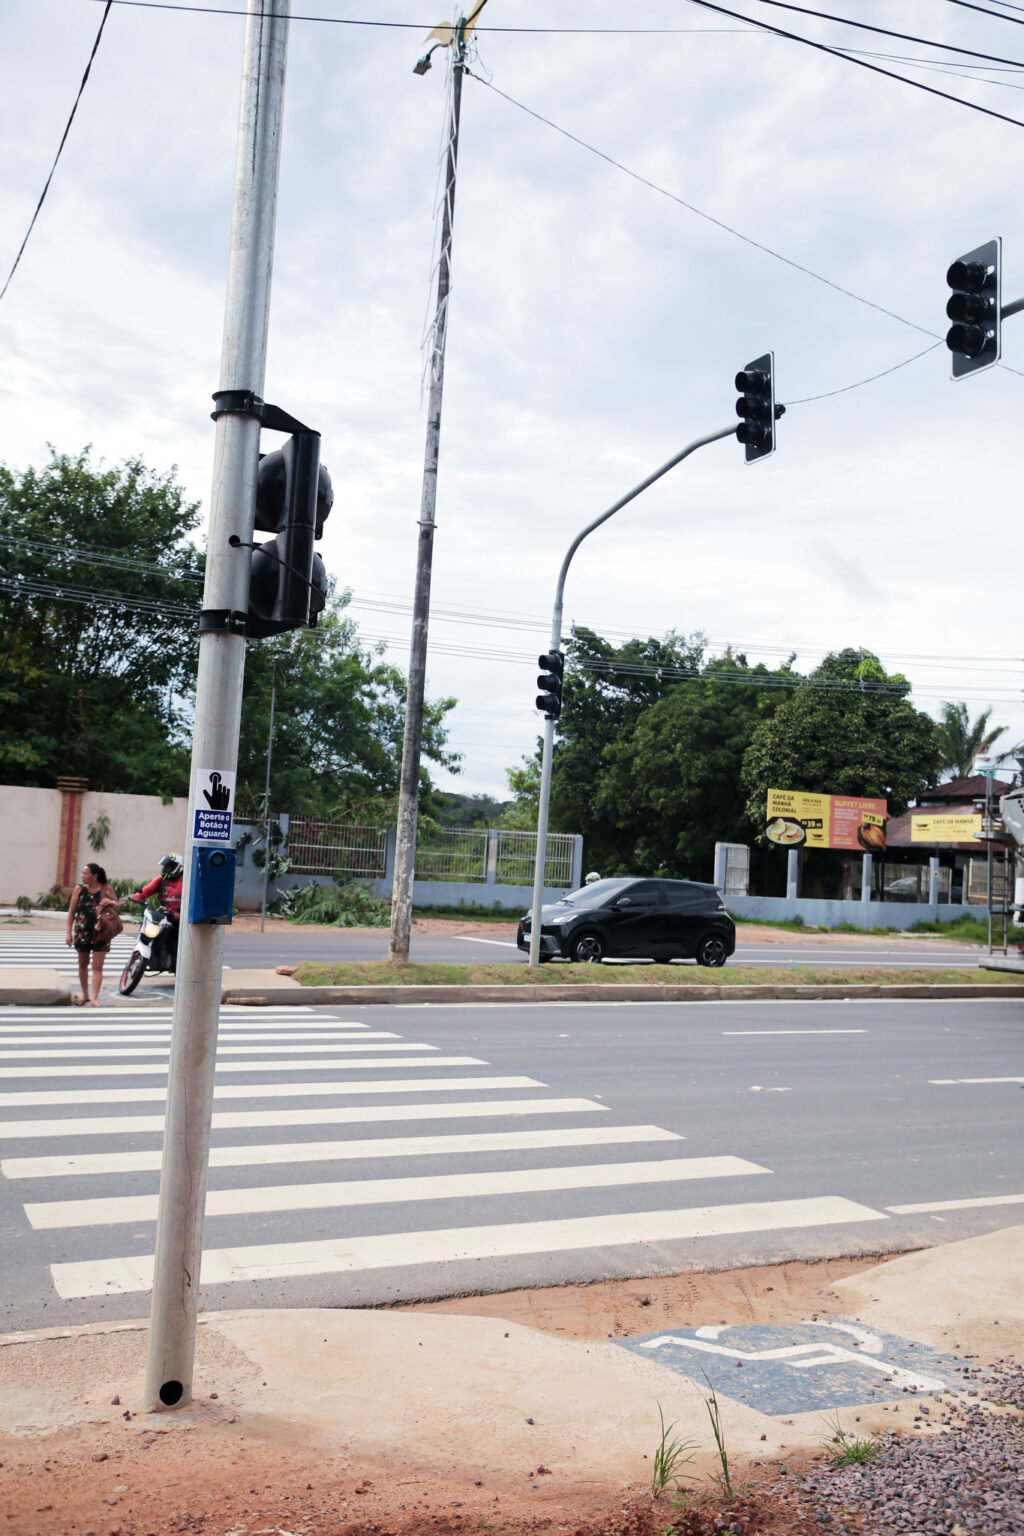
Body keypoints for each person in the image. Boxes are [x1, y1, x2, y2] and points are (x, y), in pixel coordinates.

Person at [65, 861, 119, 1006]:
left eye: (85, 873)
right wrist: (68, 933)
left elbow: (117, 905)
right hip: (82, 933)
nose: (82, 876)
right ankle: (85, 995)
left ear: (94, 876)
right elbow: (71, 912)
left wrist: (111, 902)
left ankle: (94, 998)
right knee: (82, 964)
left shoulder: (106, 888)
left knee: (97, 967)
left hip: (101, 933)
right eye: (82, 873)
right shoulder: (79, 890)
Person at [131, 853, 184, 965]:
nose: (165, 869)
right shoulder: (161, 880)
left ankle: (176, 966)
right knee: (149, 933)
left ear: (177, 867)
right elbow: (145, 891)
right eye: (164, 866)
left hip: (180, 920)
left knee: (175, 946)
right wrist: (137, 897)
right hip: (164, 918)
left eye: (168, 867)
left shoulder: (187, 881)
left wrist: (181, 915)